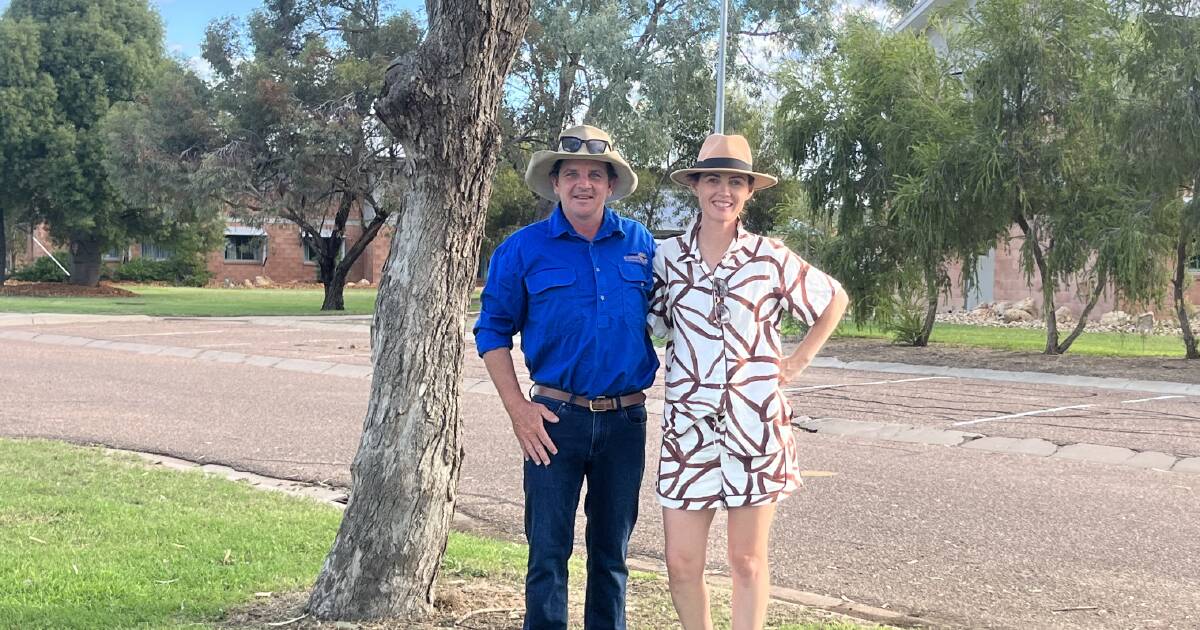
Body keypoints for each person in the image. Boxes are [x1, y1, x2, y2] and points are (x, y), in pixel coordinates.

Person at [648, 133, 849, 630]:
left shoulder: (769, 256)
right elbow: (645, 323)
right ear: (695, 185)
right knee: (681, 563)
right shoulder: (665, 258)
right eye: (713, 179)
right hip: (689, 432)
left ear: (749, 192)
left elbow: (833, 299)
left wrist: (797, 361)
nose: (724, 190)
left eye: (736, 181)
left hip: (756, 428)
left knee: (747, 561)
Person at [474, 124, 659, 630]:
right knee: (548, 556)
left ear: (610, 184)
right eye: (572, 173)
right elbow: (490, 332)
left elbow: (683, 313)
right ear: (555, 184)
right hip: (552, 423)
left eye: (595, 174)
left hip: (626, 423)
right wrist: (518, 410)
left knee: (612, 558)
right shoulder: (522, 249)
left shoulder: (641, 245)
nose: (584, 183)